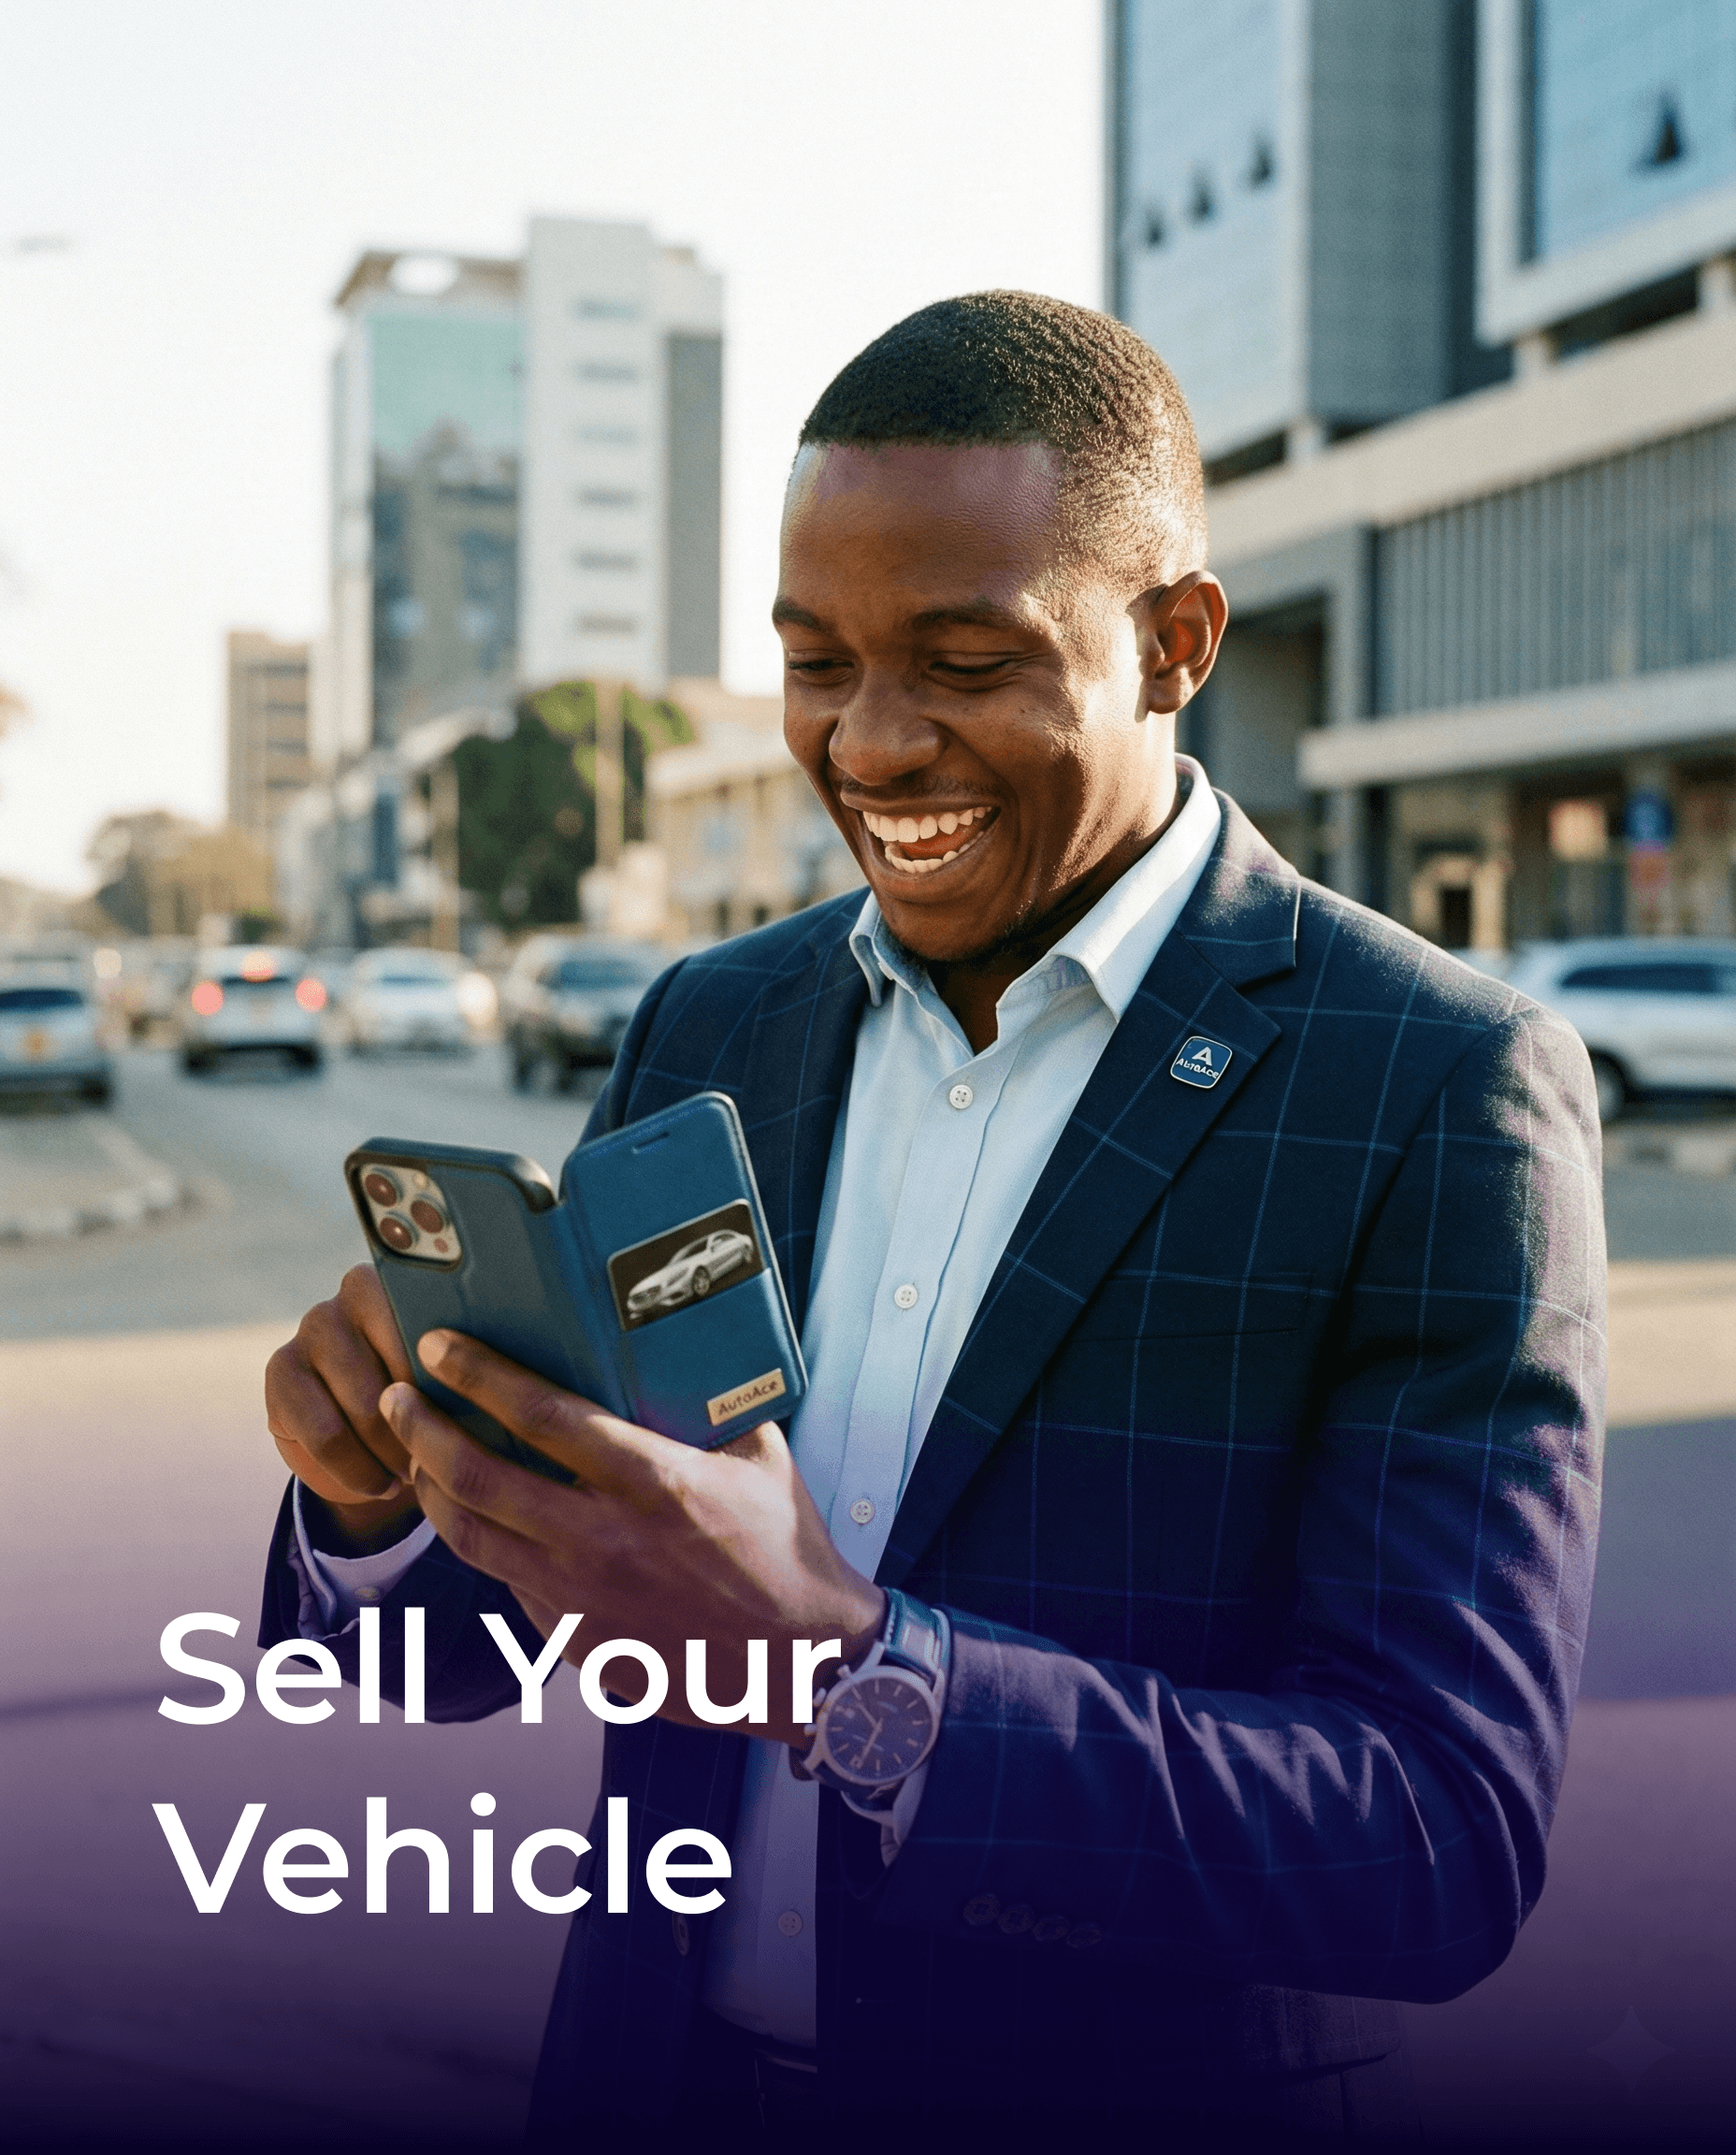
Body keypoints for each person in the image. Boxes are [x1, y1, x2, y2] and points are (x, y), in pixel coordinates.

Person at [262, 294, 1605, 2148]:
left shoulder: (1436, 1088)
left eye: (963, 661)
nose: (871, 746)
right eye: (816, 663)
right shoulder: (708, 1028)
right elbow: (451, 1657)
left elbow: (1432, 1847)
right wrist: (371, 1503)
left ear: (1173, 642)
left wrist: (850, 1675)